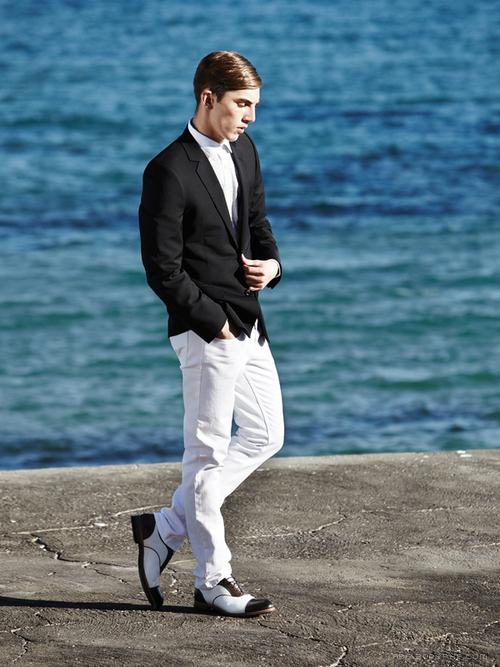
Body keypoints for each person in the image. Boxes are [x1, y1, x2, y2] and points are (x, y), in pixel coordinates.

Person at [132, 51, 284, 618]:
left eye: (254, 106)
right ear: (207, 98)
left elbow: (258, 225)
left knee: (266, 435)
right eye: (242, 104)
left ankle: (165, 527)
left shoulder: (245, 149)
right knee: (206, 454)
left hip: (249, 322)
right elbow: (162, 270)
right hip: (207, 331)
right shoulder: (168, 170)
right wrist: (213, 324)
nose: (250, 116)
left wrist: (272, 266)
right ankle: (213, 582)